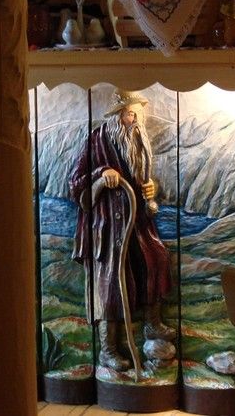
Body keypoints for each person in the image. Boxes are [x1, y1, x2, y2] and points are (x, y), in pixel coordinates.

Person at [70, 89, 175, 372]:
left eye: (136, 114)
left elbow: (141, 179)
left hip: (135, 221)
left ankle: (152, 324)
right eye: (129, 114)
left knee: (156, 257)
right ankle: (108, 350)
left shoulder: (137, 140)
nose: (134, 120)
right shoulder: (97, 140)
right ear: (117, 116)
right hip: (106, 224)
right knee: (111, 282)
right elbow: (76, 181)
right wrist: (101, 175)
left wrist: (150, 188)